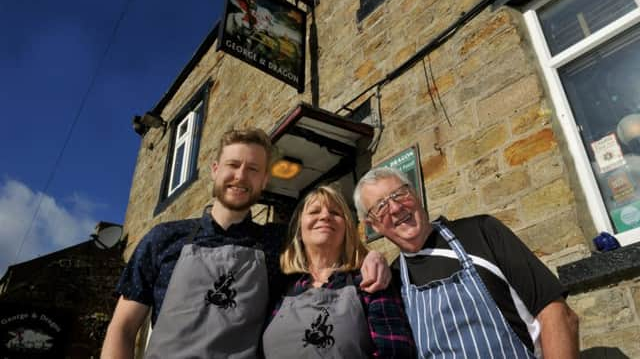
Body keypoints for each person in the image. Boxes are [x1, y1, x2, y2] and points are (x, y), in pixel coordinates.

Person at [101, 128, 390, 359]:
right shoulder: (163, 238)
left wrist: (371, 256)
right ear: (215, 169)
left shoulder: (277, 243)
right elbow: (123, 329)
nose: (240, 176)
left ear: (264, 180)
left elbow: (327, 244)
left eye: (253, 169)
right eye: (233, 165)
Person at [353, 167, 580, 359]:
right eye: (381, 206)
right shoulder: (393, 281)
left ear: (416, 194)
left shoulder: (481, 233)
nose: (395, 208)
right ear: (372, 225)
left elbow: (556, 313)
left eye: (399, 194)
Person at [262, 185, 416, 358]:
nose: (325, 216)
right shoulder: (279, 286)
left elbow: (396, 352)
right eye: (314, 212)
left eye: (335, 213)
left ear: (347, 228)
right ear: (299, 229)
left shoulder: (369, 281)